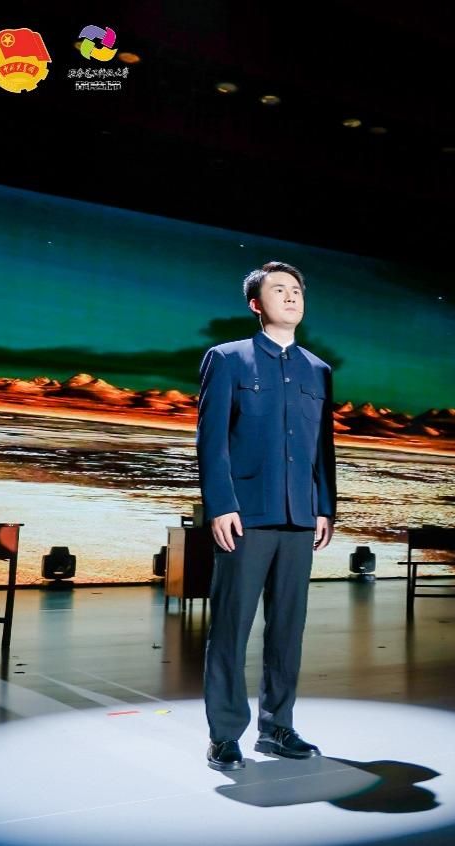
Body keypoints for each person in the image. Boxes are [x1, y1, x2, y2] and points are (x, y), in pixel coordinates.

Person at [197, 260, 336, 770]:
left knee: (287, 629)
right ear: (256, 304)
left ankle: (277, 728)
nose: (291, 296)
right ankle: (224, 734)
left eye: (296, 289)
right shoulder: (227, 359)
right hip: (246, 517)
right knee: (231, 627)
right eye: (279, 289)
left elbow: (323, 449)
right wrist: (221, 505)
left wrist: (324, 507)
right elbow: (212, 441)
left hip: (300, 518)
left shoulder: (318, 370)